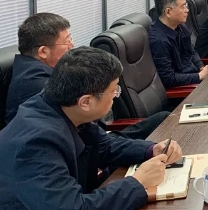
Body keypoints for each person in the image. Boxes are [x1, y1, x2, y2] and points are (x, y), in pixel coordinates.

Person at [0, 47, 183, 210]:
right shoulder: (35, 145)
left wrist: (151, 149)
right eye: (114, 91)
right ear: (86, 102)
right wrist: (138, 182)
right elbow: (73, 208)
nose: (116, 96)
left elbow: (104, 145)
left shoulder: (61, 105)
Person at [5, 13, 168, 139]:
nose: (72, 45)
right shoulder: (36, 85)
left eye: (71, 38)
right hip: (84, 150)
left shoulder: (42, 71)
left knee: (162, 120)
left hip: (94, 139)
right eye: (66, 41)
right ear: (43, 51)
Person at [148, 0, 208, 88]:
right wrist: (199, 76)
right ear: (168, 12)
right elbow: (168, 79)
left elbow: (191, 51)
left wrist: (201, 67)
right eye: (183, 7)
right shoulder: (158, 41)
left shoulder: (180, 26)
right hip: (183, 89)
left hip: (193, 78)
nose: (187, 10)